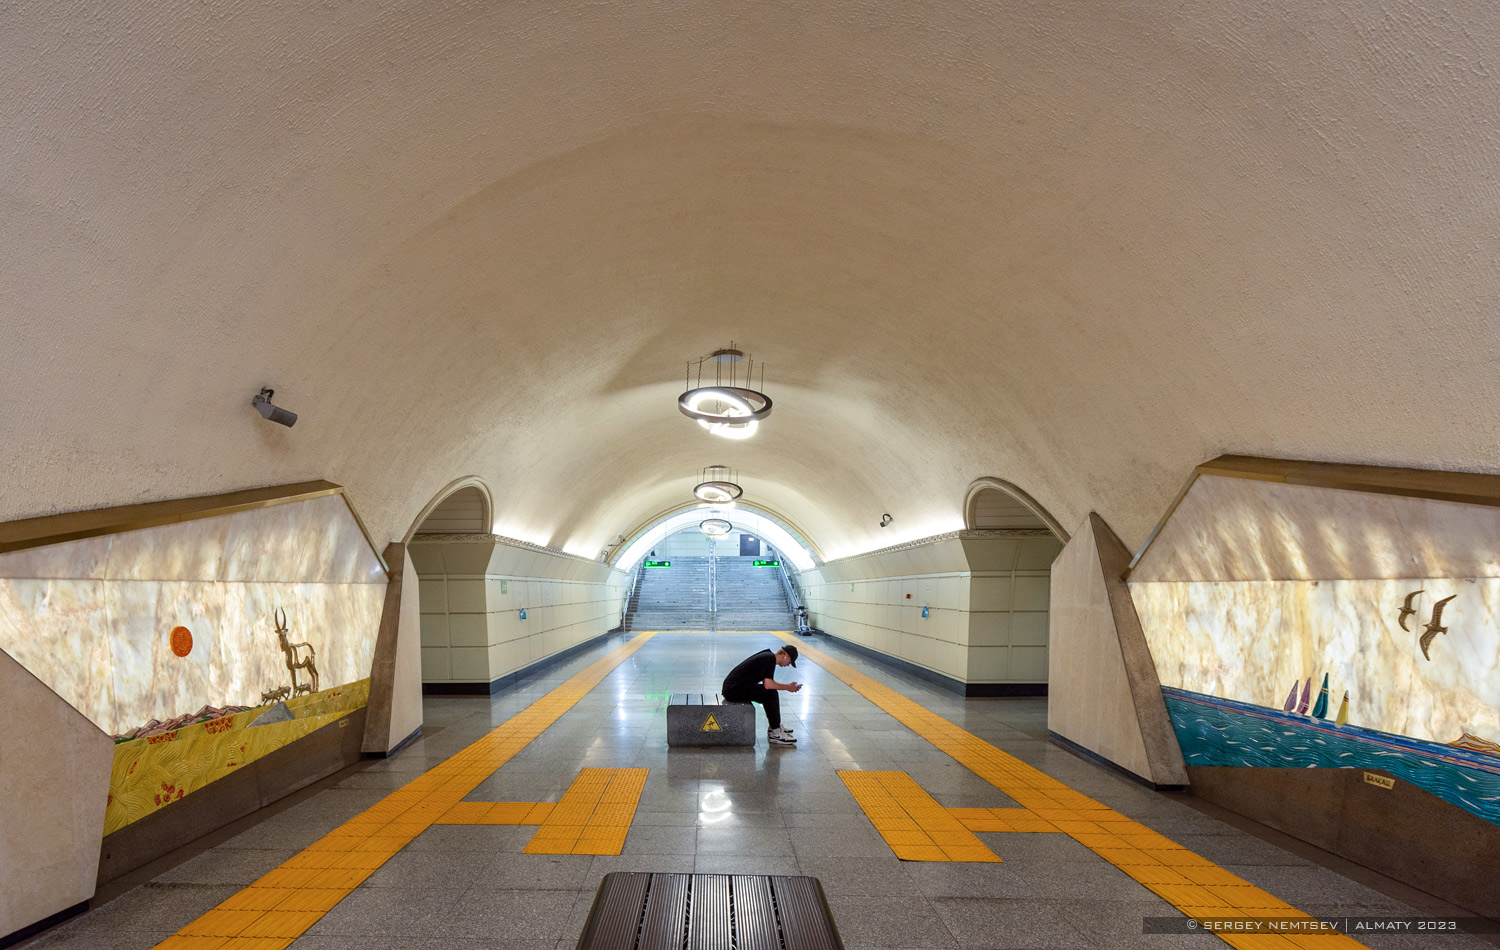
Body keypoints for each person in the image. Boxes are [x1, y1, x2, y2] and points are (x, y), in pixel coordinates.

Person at [722, 645, 801, 745]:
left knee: (770, 693)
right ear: (785, 655)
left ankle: (774, 727)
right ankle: (776, 733)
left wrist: (787, 686)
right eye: (789, 662)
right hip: (732, 690)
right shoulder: (769, 659)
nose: (788, 665)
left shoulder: (768, 656)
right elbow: (768, 685)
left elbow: (768, 683)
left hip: (734, 687)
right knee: (770, 694)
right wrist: (787, 687)